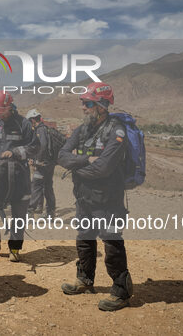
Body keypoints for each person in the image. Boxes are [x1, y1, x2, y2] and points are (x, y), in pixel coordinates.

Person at [57, 82, 133, 311]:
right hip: (84, 196)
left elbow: (104, 168)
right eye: (82, 103)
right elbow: (61, 156)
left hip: (108, 199)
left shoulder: (116, 130)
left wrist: (77, 167)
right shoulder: (82, 130)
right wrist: (85, 161)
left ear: (101, 105)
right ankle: (85, 280)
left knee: (111, 241)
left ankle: (121, 292)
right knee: (84, 237)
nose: (83, 107)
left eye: (87, 103)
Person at [0, 91, 39, 262]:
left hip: (18, 175)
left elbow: (35, 146)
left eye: (1, 109)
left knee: (19, 211)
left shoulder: (24, 124)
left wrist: (15, 152)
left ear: (10, 107)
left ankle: (14, 248)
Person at [25, 109, 56, 218]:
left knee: (36, 186)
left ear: (33, 120)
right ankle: (50, 213)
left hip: (43, 164)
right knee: (48, 187)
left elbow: (42, 146)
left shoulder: (40, 130)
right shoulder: (44, 129)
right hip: (49, 163)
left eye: (30, 121)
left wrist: (36, 161)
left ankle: (30, 212)